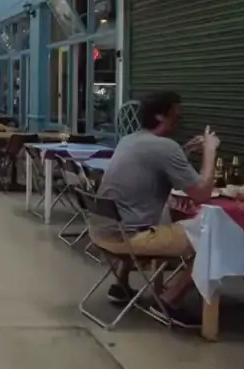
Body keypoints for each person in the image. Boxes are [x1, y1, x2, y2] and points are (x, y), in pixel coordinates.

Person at [91, 91, 220, 326]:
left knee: (153, 214)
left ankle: (121, 284)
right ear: (161, 117)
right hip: (130, 239)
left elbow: (154, 163)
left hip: (102, 230)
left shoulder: (129, 139)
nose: (181, 120)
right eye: (177, 116)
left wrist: (185, 151)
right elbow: (202, 193)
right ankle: (170, 300)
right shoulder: (165, 148)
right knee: (215, 236)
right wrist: (210, 152)